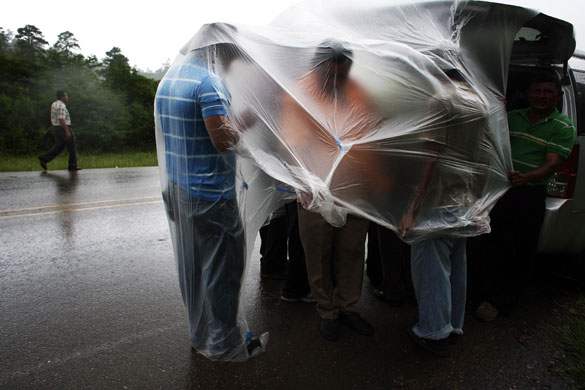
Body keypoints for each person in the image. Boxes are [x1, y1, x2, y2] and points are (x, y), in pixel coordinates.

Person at [155, 38, 267, 361]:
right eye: (231, 58)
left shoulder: (171, 79)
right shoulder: (208, 82)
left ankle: (199, 332)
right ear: (218, 52)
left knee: (193, 268)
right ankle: (224, 345)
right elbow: (221, 137)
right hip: (210, 195)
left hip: (177, 189)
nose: (232, 66)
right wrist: (246, 121)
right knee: (223, 270)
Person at [281, 40, 379, 341]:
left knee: (351, 250)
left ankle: (348, 307)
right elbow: (292, 145)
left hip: (354, 187)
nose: (337, 78)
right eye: (332, 71)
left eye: (343, 71)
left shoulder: (357, 92)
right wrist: (303, 184)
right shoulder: (300, 94)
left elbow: (370, 135)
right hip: (316, 188)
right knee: (318, 252)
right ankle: (327, 310)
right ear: (320, 65)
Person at [471, 73, 576, 322]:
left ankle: (502, 302)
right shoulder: (512, 117)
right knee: (490, 242)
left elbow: (552, 164)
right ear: (528, 94)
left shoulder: (562, 126)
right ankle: (481, 293)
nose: (541, 96)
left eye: (547, 92)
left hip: (528, 194)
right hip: (500, 191)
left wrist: (526, 177)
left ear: (558, 96)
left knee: (519, 251)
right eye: (536, 91)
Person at [400, 69, 489, 357]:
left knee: (431, 269)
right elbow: (485, 156)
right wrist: (478, 200)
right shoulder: (478, 101)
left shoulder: (441, 101)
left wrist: (412, 210)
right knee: (456, 265)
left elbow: (431, 158)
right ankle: (452, 325)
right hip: (464, 199)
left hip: (438, 201)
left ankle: (433, 331)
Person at [39, 90, 81, 172]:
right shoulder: (61, 105)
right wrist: (67, 131)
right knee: (72, 146)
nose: (67, 97)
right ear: (62, 97)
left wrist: (56, 126)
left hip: (57, 128)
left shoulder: (54, 104)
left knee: (60, 146)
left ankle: (44, 159)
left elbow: (53, 117)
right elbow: (61, 119)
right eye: (66, 96)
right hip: (64, 127)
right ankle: (72, 166)